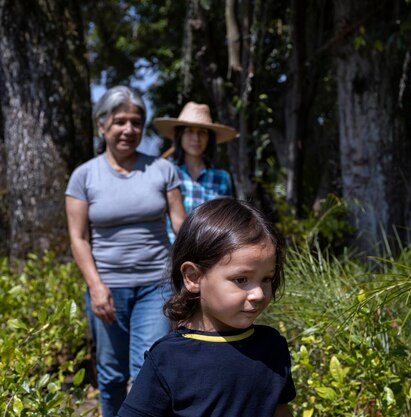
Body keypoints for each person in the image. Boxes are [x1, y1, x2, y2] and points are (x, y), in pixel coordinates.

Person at [65, 85, 187, 417]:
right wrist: (96, 287)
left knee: (150, 368)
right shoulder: (84, 176)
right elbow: (78, 238)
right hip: (107, 288)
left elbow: (181, 224)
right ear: (102, 124)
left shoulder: (163, 171)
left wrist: (203, 262)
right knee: (111, 375)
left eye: (136, 122)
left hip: (156, 286)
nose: (128, 130)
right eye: (120, 121)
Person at [117, 198, 296, 417]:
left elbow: (281, 411)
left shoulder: (272, 347)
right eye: (241, 279)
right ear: (193, 277)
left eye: (267, 278)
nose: (258, 293)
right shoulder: (167, 359)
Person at [152, 101, 237, 243]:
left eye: (202, 132)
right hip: (170, 253)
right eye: (189, 131)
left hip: (209, 253)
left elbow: (226, 221)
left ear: (209, 138)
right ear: (180, 136)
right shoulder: (166, 172)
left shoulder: (222, 178)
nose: (196, 138)